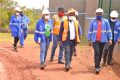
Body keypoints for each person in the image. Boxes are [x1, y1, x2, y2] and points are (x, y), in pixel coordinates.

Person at [87, 8, 112, 74]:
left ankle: (98, 65)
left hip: (103, 40)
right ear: (96, 14)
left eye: (100, 14)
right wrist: (89, 40)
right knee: (97, 53)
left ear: (102, 14)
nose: (99, 15)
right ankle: (97, 67)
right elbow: (90, 31)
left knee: (100, 53)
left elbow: (109, 30)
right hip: (95, 41)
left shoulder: (106, 21)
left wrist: (110, 38)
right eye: (98, 14)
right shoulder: (92, 21)